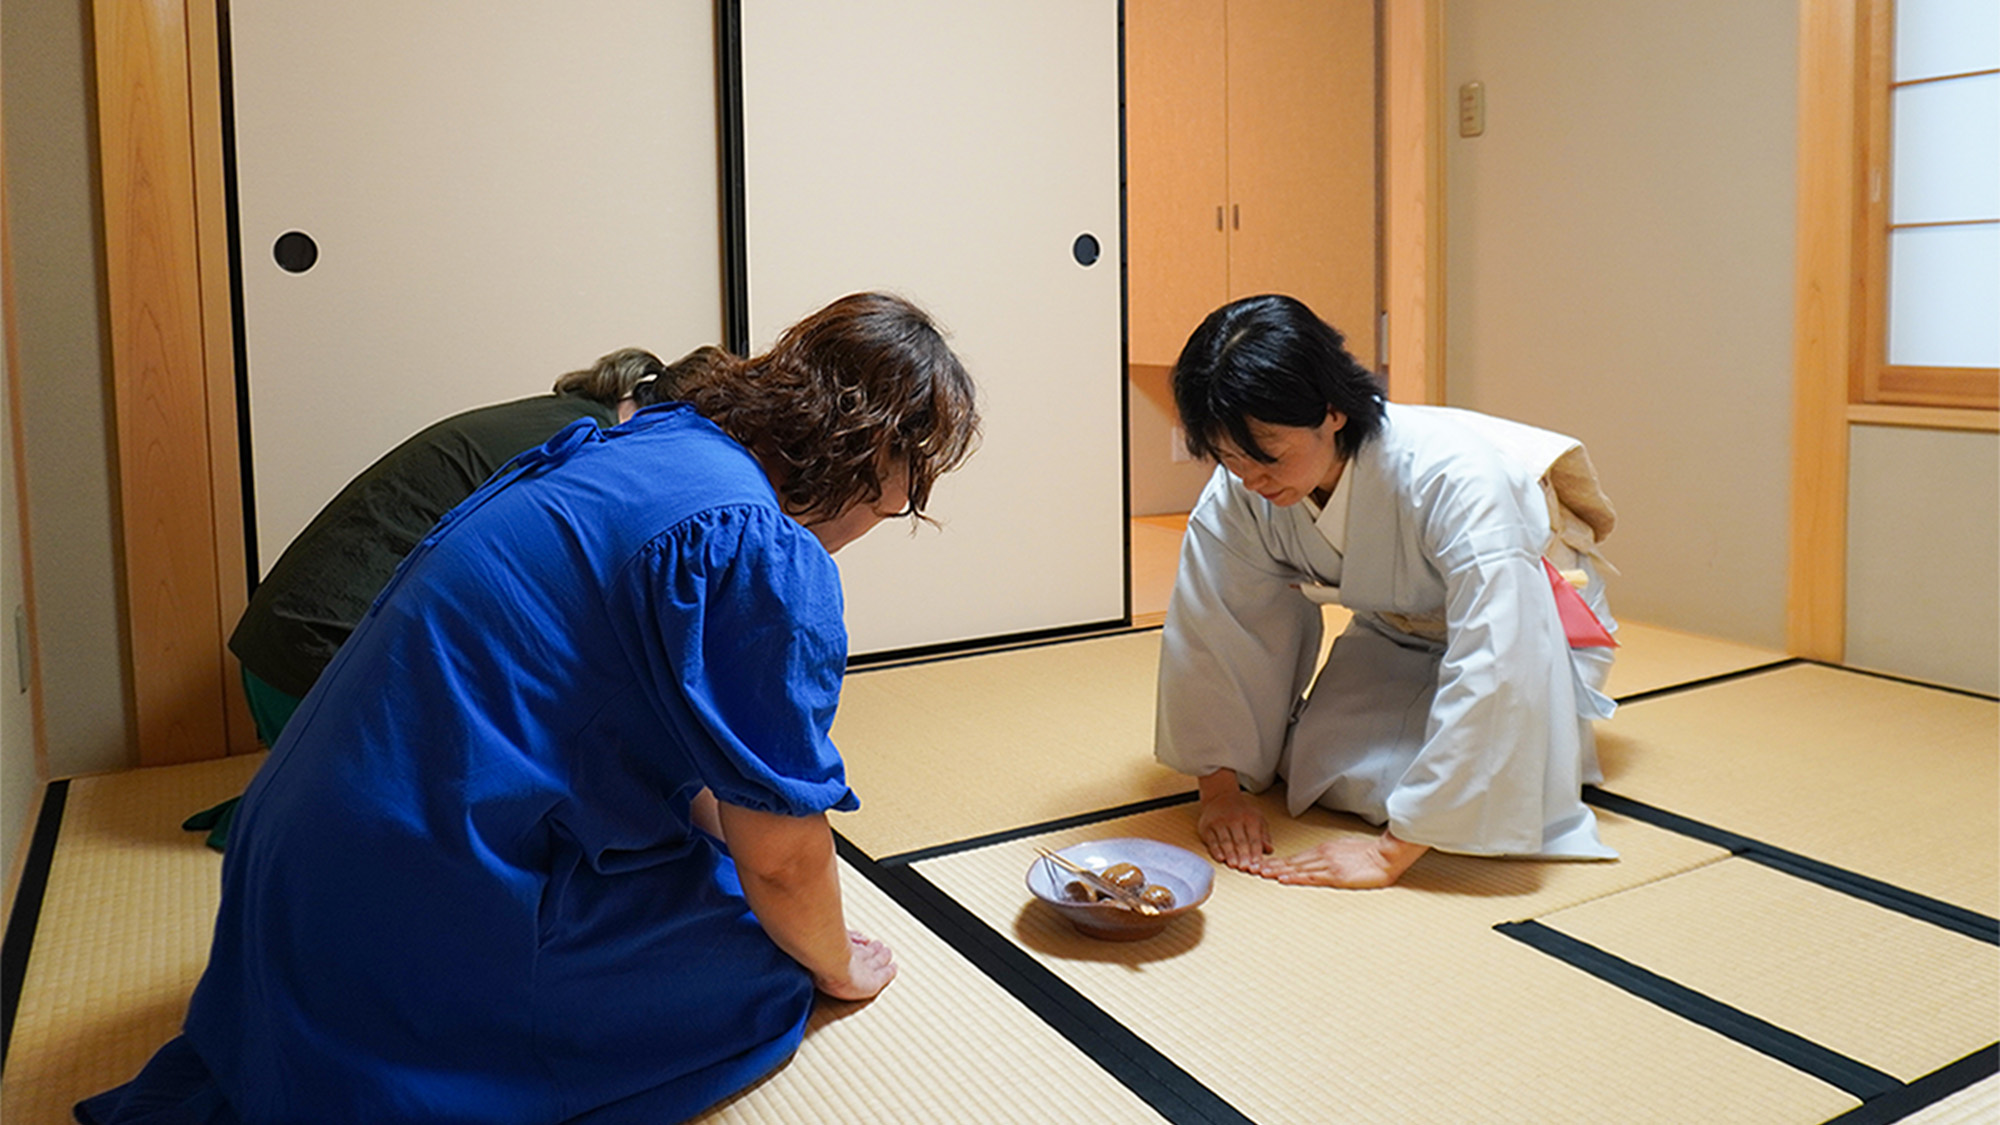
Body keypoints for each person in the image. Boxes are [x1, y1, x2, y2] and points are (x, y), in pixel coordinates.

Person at [81, 292, 981, 1124]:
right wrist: (834, 962)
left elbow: (689, 752)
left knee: (717, 873)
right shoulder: (757, 547)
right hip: (406, 914)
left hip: (287, 876)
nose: (897, 510)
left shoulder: (649, 442)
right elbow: (783, 861)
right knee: (765, 965)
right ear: (880, 459)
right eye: (909, 486)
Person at [1155, 294, 1620, 890]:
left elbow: (1501, 654)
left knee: (1507, 801)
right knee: (1322, 772)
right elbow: (1218, 629)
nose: (1249, 477)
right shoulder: (1242, 491)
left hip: (1537, 633)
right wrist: (1220, 790)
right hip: (1397, 627)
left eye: (1266, 453)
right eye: (1227, 456)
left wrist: (1388, 855)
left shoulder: (1455, 478)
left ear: (1331, 412)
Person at [184, 348, 682, 850]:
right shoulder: (581, 448)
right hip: (319, 671)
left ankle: (311, 786)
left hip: (282, 656)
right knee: (540, 802)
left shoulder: (556, 419)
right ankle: (316, 804)